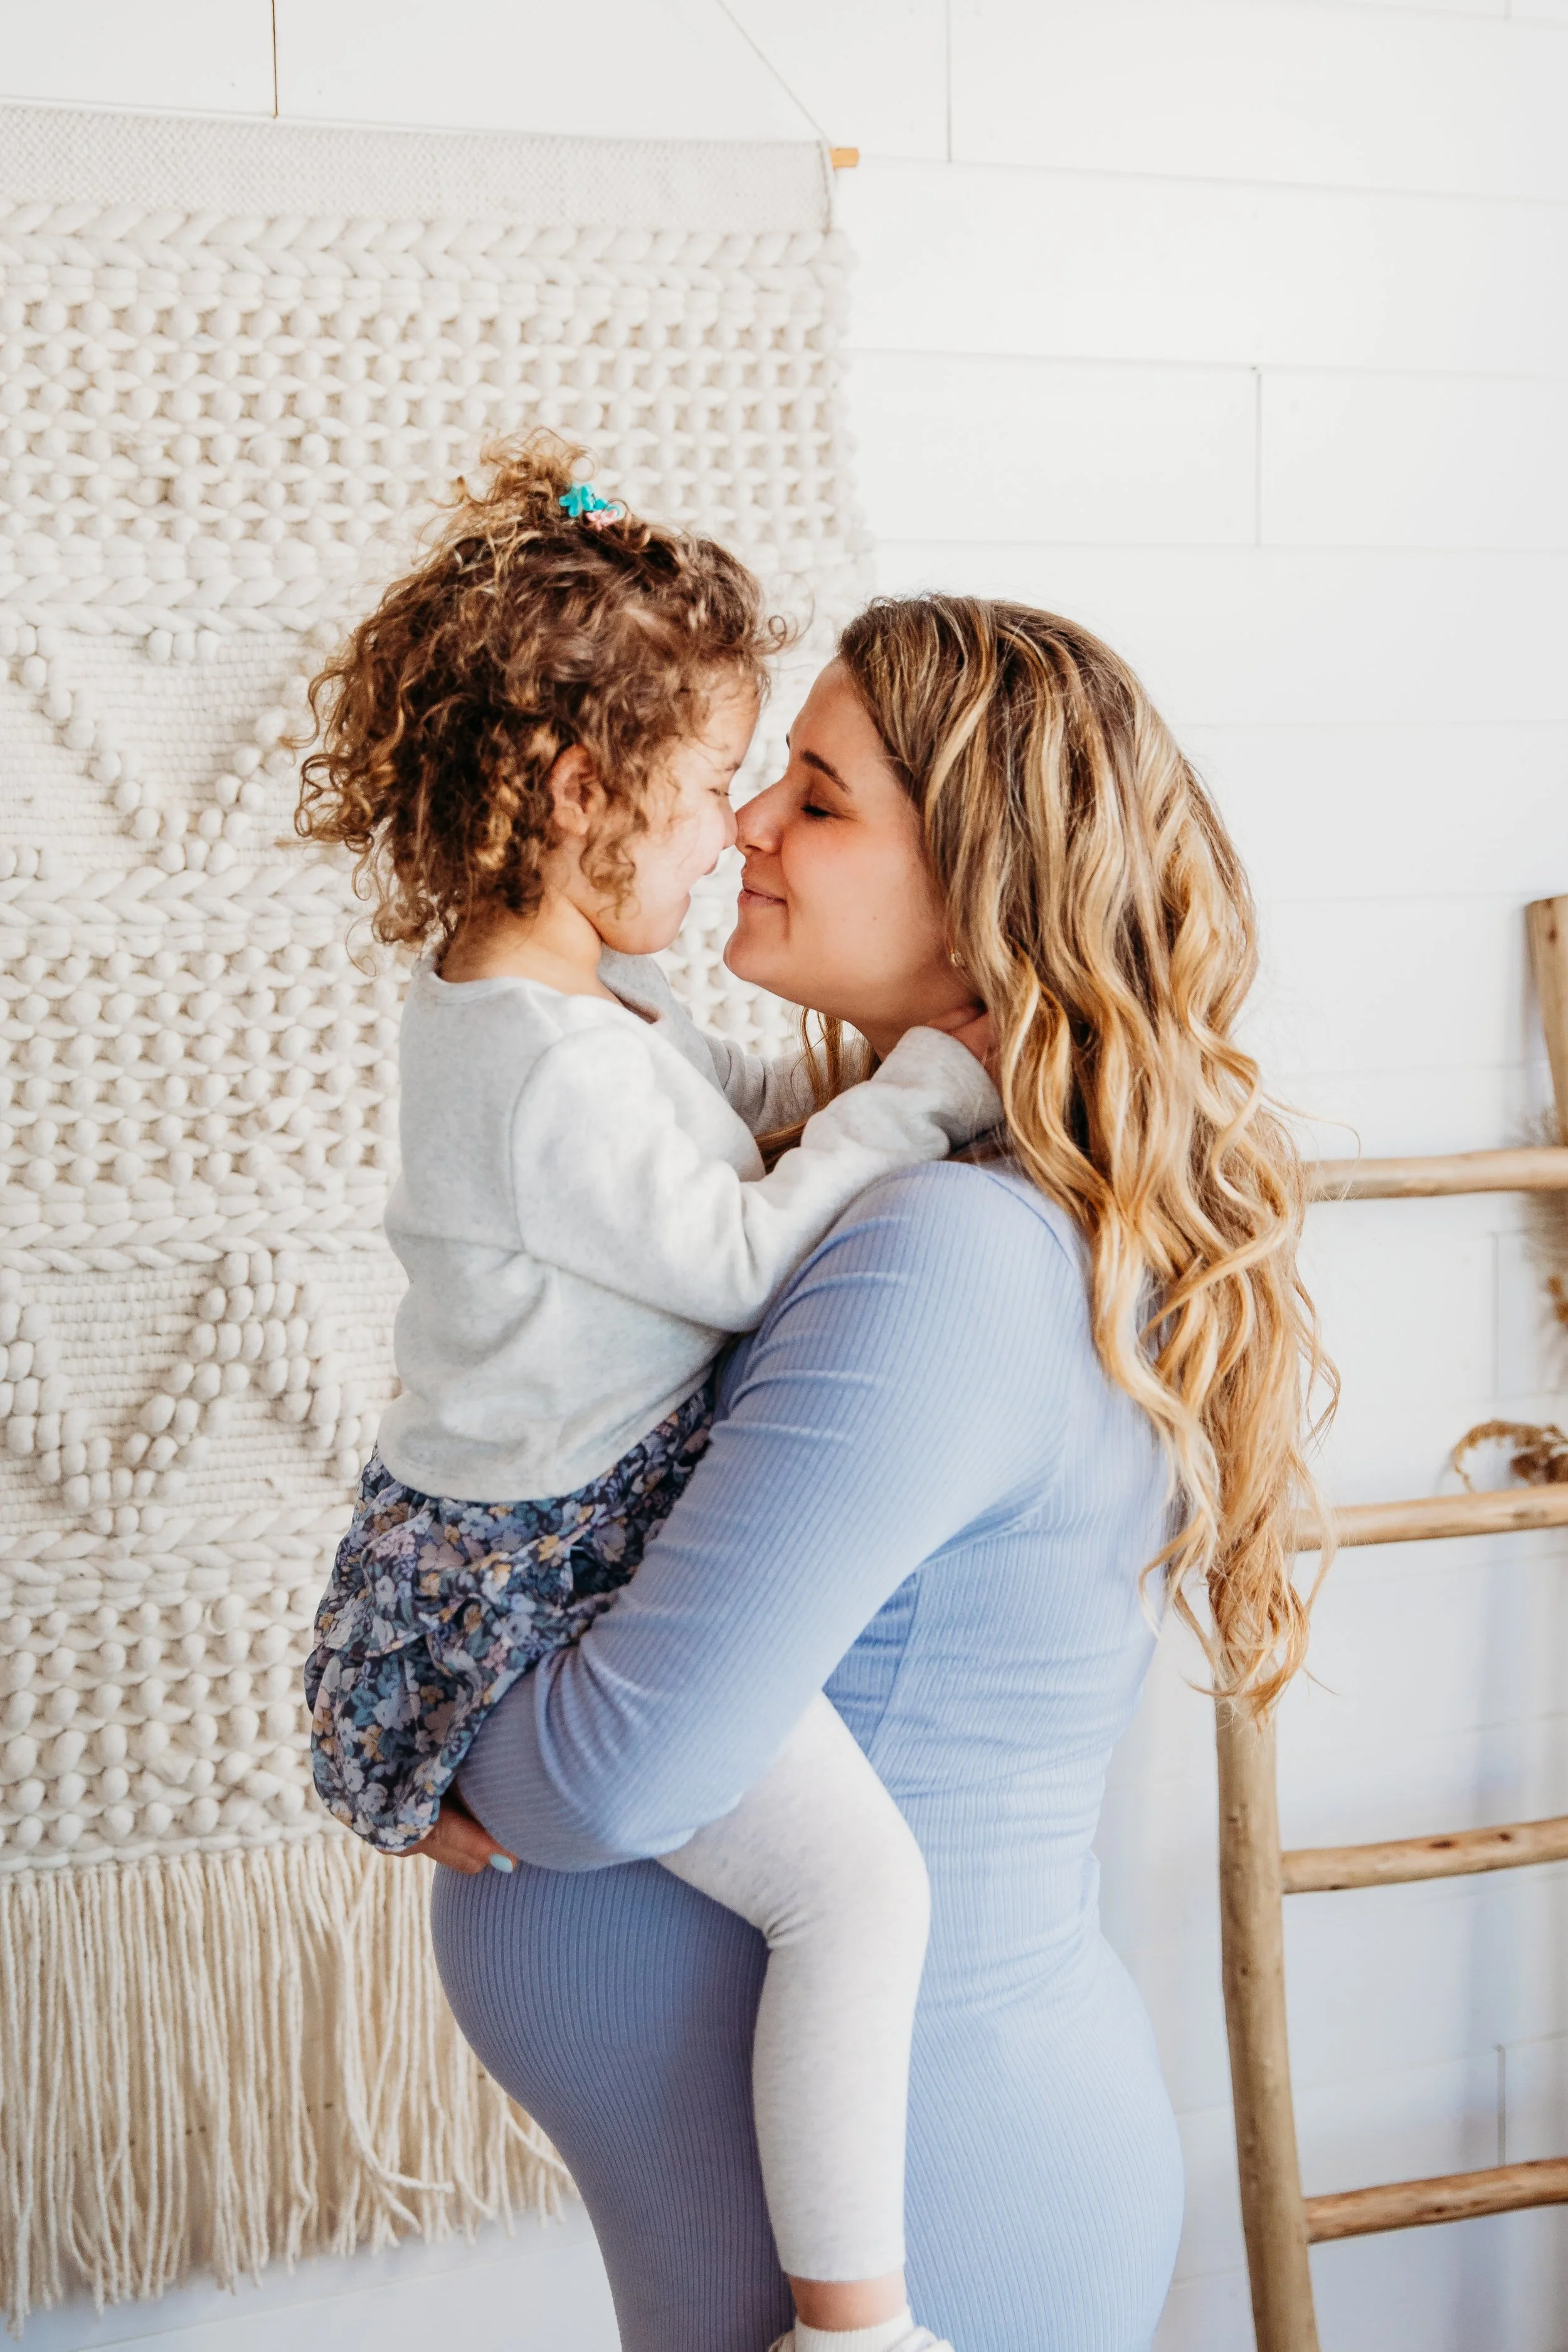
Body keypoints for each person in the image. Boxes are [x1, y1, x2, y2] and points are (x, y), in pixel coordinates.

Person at [421, 595, 1333, 2352]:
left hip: (940, 2225)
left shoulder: (940, 1256)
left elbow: (616, 1774)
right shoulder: (934, 1199)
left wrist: (415, 1723)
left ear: (979, 888)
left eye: (819, 798)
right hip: (891, 2184)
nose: (750, 818)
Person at [294, 436, 1002, 2352]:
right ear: (573, 788)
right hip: (556, 1558)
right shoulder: (544, 1072)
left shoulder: (570, 1016)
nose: (733, 832)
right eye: (705, 792)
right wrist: (926, 1090)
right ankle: (855, 2327)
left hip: (530, 1518)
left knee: (845, 1881)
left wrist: (827, 1102)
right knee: (856, 1891)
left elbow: (723, 1132)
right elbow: (745, 1252)